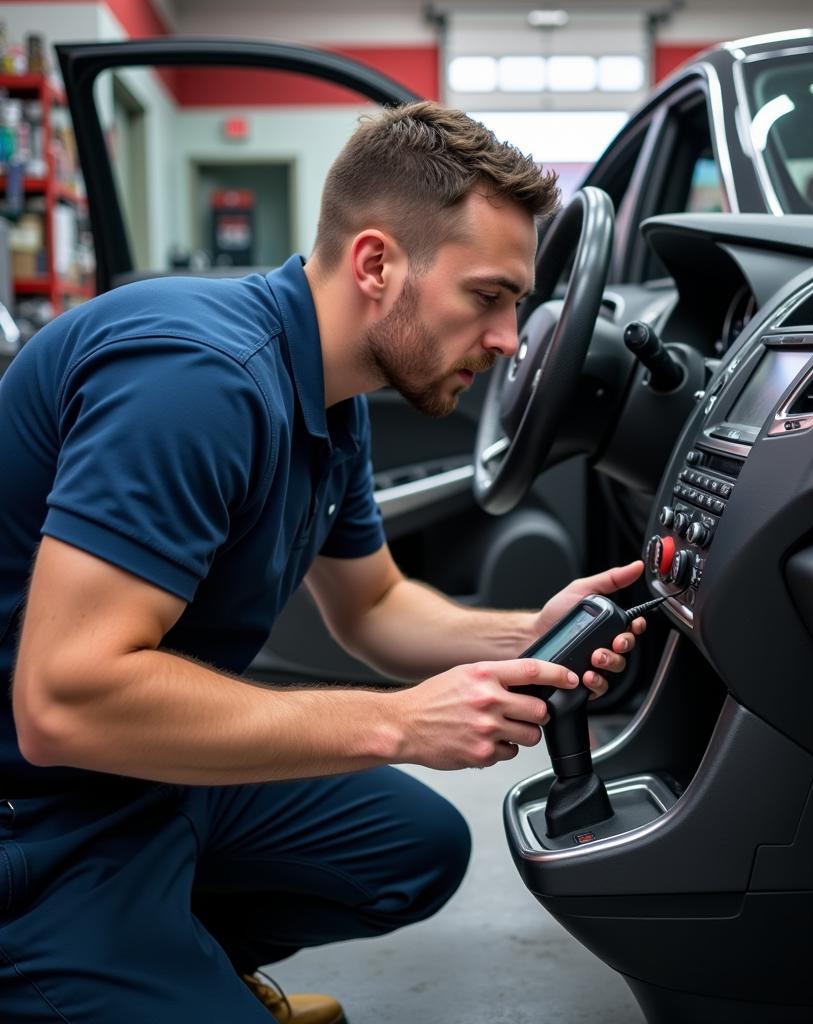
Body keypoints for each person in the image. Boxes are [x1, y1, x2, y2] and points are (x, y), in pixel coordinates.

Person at [0, 102, 646, 1023]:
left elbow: (373, 606)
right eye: (487, 297)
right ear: (377, 264)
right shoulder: (197, 382)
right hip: (34, 809)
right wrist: (398, 725)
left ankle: (171, 955)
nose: (509, 340)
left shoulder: (332, 394)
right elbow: (62, 703)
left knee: (412, 844)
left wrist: (529, 634)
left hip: (140, 775)